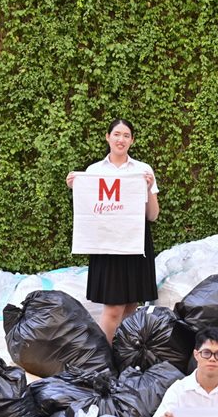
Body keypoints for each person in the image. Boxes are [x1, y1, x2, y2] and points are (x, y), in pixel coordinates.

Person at [66, 118, 160, 343]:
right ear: (108, 137)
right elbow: (89, 212)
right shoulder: (94, 171)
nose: (121, 139)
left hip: (135, 243)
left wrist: (148, 188)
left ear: (132, 140)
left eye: (126, 135)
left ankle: (122, 352)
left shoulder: (143, 170)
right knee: (113, 309)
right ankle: (103, 356)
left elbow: (153, 215)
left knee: (130, 307)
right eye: (117, 134)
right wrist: (75, 187)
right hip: (107, 244)